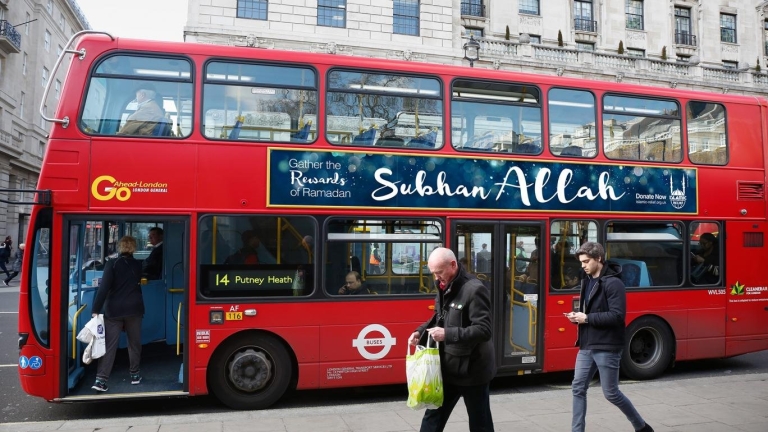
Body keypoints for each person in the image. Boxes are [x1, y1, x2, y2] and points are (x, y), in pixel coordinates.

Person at [566, 242, 653, 432]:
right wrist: (577, 318)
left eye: (586, 261)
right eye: (581, 262)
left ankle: (641, 426)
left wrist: (587, 318)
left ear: (598, 259)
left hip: (607, 346)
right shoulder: (587, 280)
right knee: (578, 388)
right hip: (587, 344)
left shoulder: (614, 283)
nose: (583, 266)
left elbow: (617, 316)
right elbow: (589, 311)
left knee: (611, 393)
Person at [408, 247, 495, 432]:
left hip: (473, 371)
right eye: (433, 273)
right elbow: (439, 316)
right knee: (432, 417)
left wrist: (447, 334)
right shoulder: (443, 284)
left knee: (480, 422)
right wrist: (420, 331)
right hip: (448, 366)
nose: (436, 278)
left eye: (439, 272)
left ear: (453, 265)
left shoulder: (474, 289)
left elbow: (484, 330)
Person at [90, 236, 145, 392]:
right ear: (134, 248)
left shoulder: (112, 264)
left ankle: (101, 380)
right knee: (134, 344)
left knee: (109, 345)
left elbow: (104, 288)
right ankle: (135, 375)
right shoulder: (138, 265)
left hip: (114, 310)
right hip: (134, 309)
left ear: (120, 247)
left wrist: (95, 309)